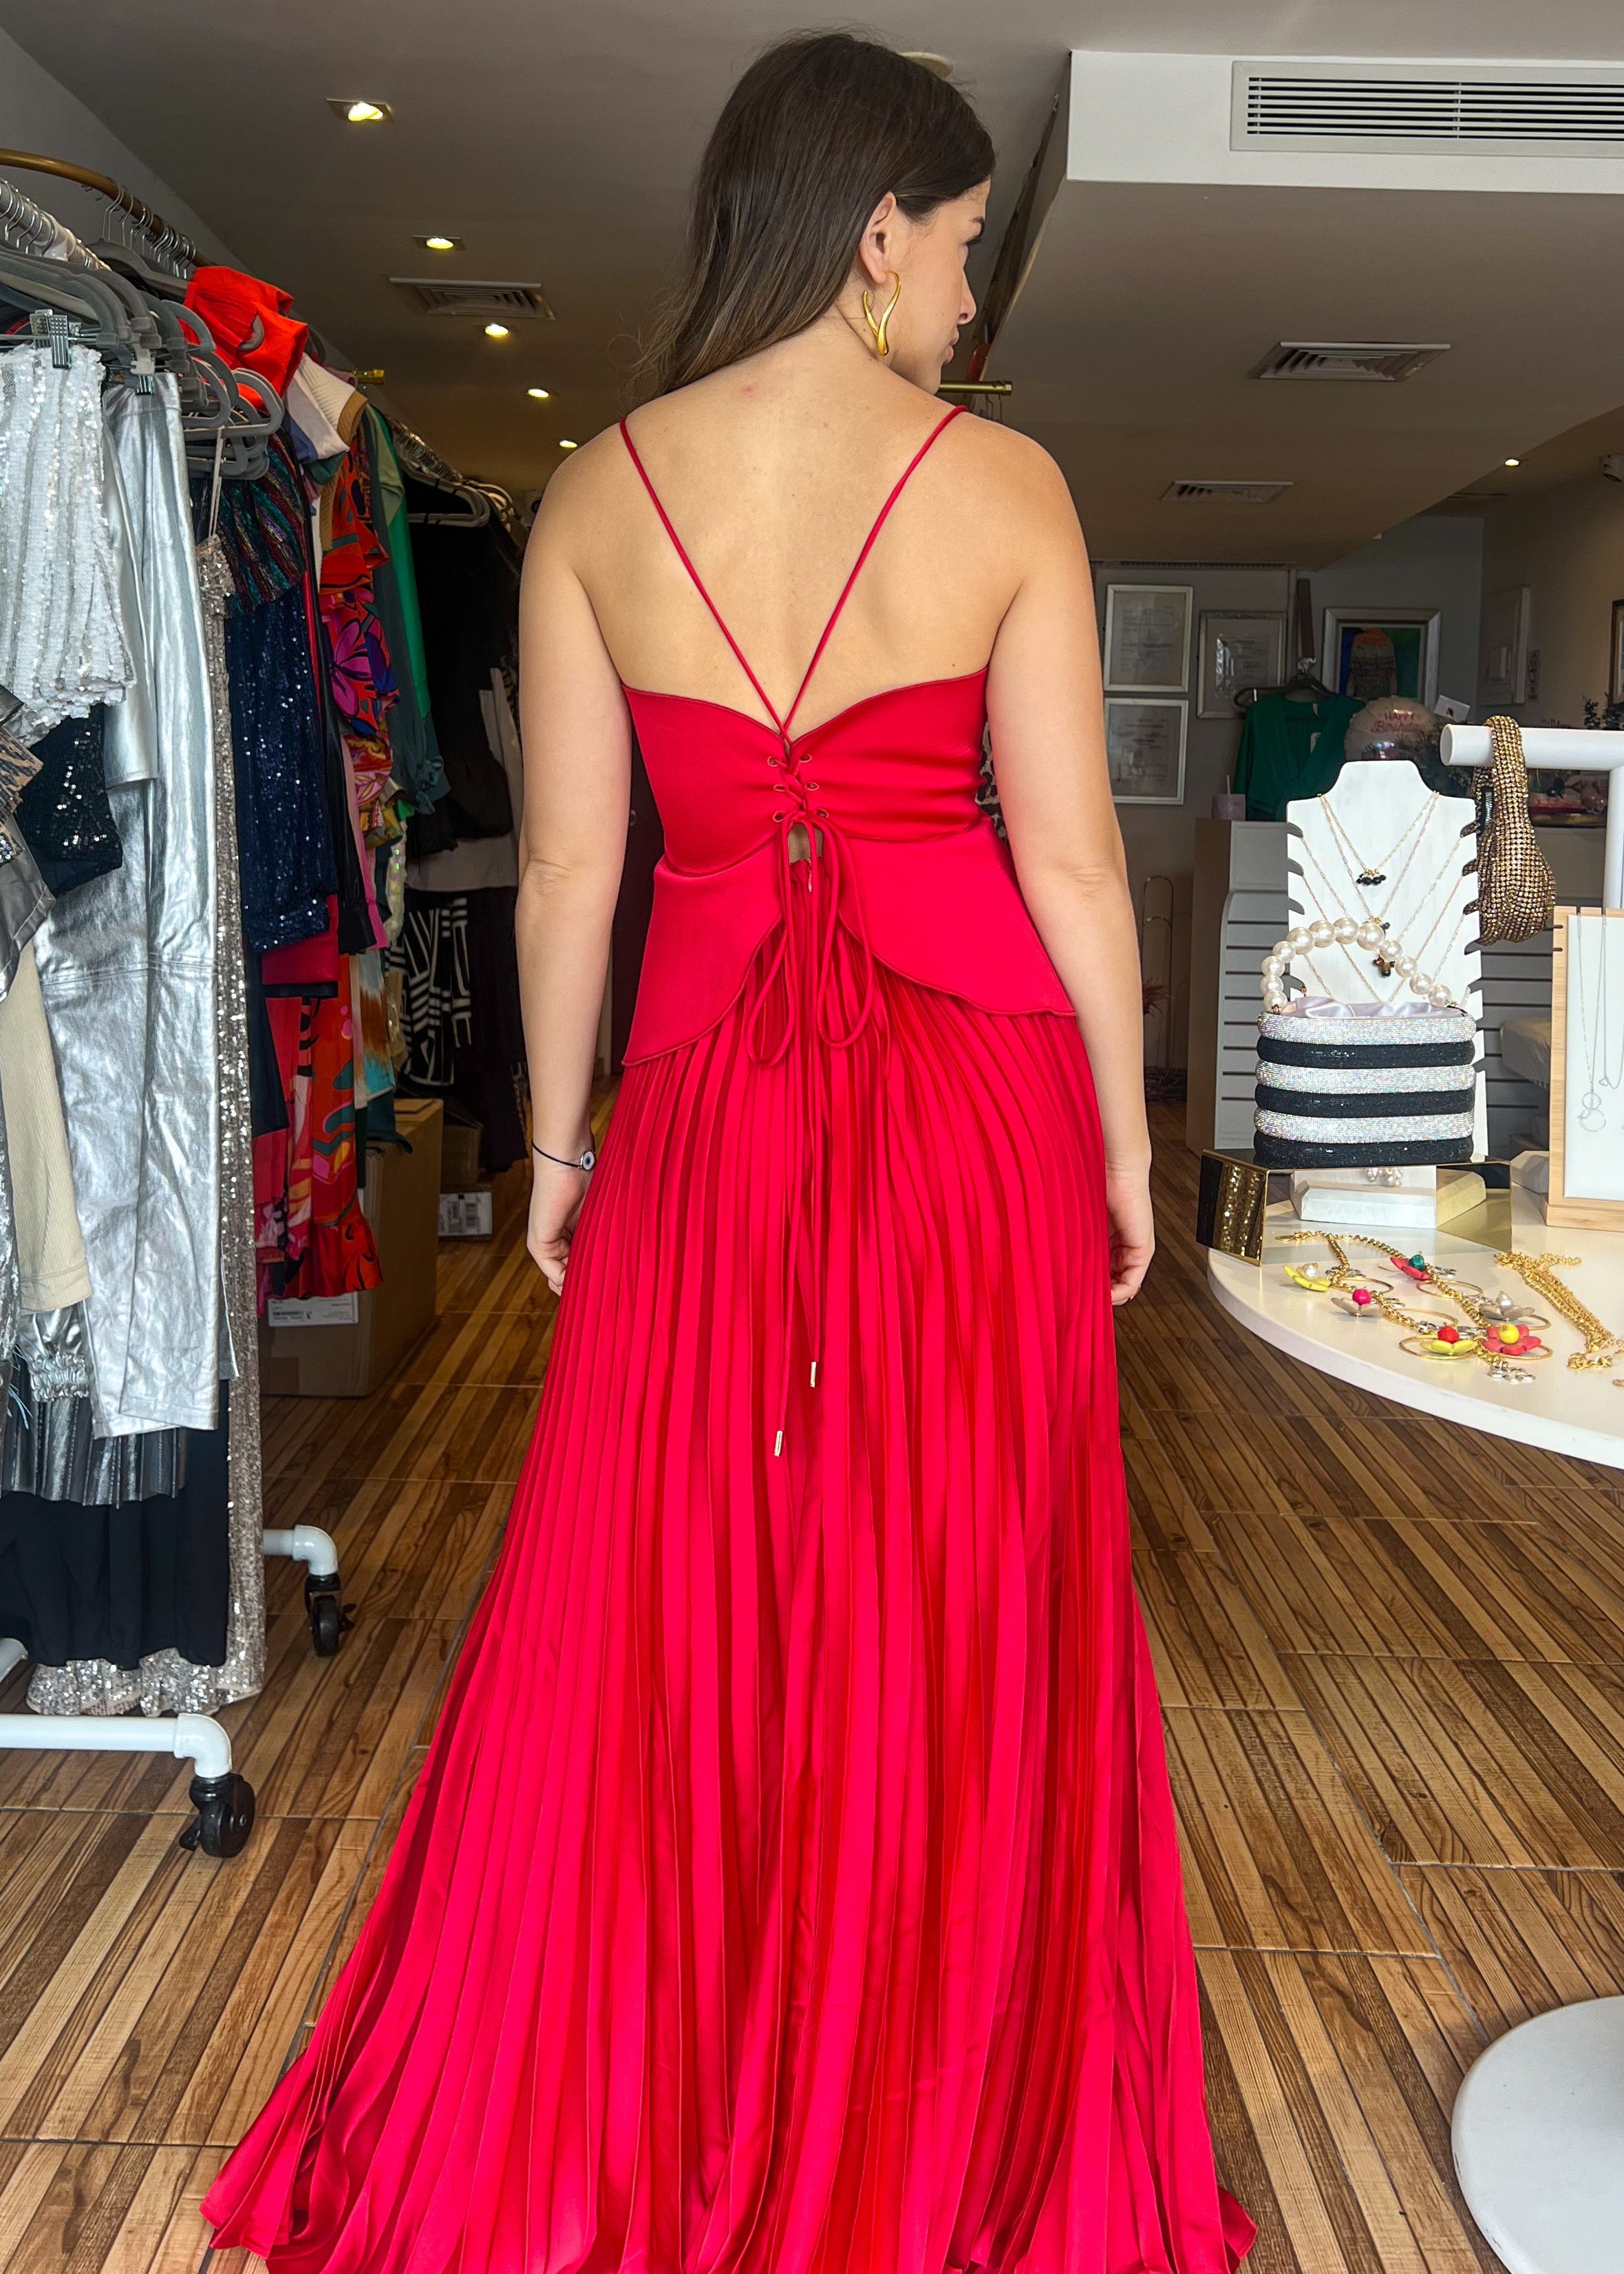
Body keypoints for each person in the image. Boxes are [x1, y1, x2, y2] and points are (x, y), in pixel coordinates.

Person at [203, 31, 1254, 2272]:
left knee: (661, 1590)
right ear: (877, 232)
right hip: (971, 1089)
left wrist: (557, 1152)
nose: (970, 303)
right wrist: (1125, 1145)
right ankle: (934, 2108)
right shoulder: (1008, 488)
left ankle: (651, 2097)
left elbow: (572, 880)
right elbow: (1070, 867)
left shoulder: (601, 490)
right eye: (963, 250)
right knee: (959, 1586)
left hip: (701, 1102)